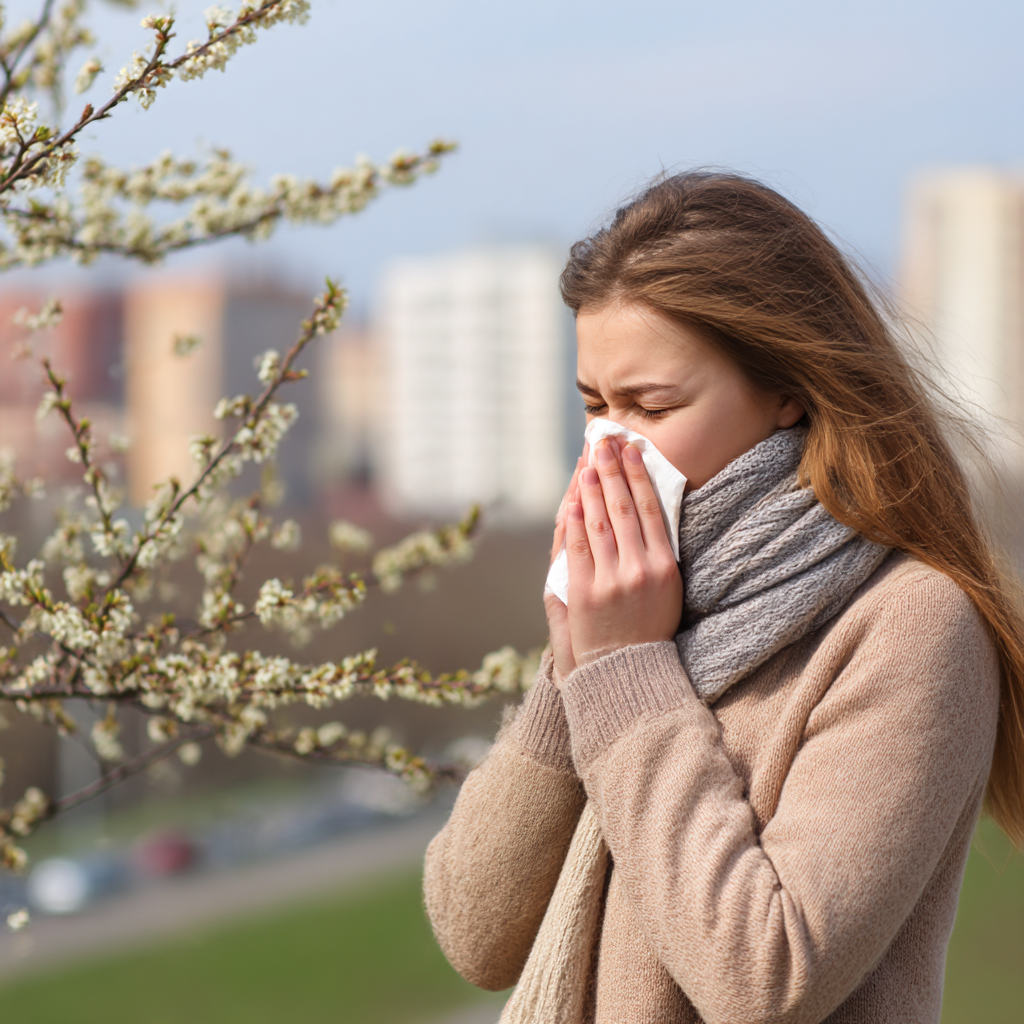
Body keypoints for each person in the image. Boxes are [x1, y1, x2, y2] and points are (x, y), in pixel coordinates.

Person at [423, 172, 1024, 1024]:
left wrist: (625, 669)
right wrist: (575, 663)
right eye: (594, 404)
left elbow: (765, 979)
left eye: (650, 406)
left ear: (788, 388)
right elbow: (476, 935)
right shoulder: (645, 602)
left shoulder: (911, 624)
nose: (609, 446)